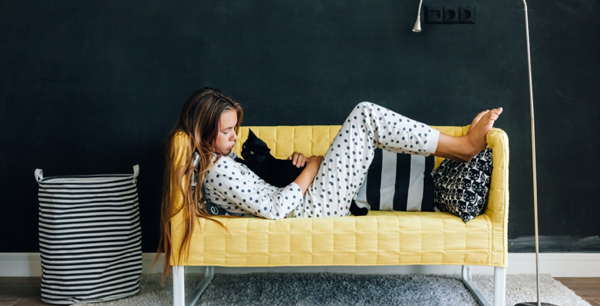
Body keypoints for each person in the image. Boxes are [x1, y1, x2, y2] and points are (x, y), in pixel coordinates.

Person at [156, 87, 502, 275]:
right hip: (310, 209)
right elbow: (275, 208)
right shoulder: (215, 169)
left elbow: (263, 189)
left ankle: (459, 148)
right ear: (202, 131)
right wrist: (313, 168)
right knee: (366, 114)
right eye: (227, 130)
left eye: (235, 128)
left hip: (309, 200)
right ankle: (462, 148)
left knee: (367, 118)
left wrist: (298, 165)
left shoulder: (216, 161)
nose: (235, 136)